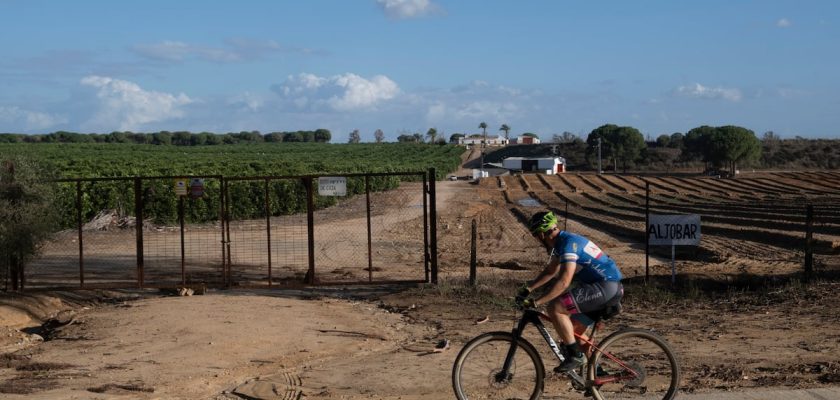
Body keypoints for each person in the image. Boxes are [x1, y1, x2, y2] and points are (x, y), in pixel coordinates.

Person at [515, 210, 624, 373]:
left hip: (606, 286)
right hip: (605, 287)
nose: (537, 239)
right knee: (571, 333)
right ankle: (597, 373)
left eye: (536, 235)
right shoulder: (562, 244)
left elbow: (564, 281)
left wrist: (537, 302)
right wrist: (528, 289)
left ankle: (576, 357)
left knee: (555, 308)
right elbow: (550, 272)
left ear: (543, 233)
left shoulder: (568, 244)